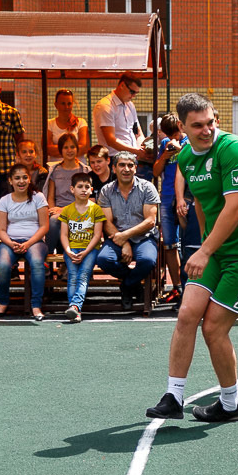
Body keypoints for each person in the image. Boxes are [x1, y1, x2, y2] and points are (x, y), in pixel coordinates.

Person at [144, 93, 238, 423]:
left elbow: (237, 207)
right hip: (216, 250)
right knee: (187, 313)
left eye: (211, 122)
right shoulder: (186, 158)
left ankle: (231, 404)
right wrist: (205, 244)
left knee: (213, 327)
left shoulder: (233, 149)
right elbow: (201, 201)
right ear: (182, 128)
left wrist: (204, 250)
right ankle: (173, 396)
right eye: (197, 125)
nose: (206, 130)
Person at [96, 152, 160, 311]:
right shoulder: (106, 191)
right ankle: (135, 284)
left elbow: (150, 221)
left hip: (144, 238)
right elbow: (106, 222)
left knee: (147, 260)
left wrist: (125, 236)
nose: (126, 169)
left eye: (130, 165)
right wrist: (124, 242)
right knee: (103, 259)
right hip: (117, 238)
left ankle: (127, 285)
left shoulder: (147, 188)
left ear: (136, 168)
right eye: (122, 165)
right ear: (114, 168)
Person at [0, 163, 50, 320]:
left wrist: (28, 243)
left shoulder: (38, 197)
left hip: (35, 242)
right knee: (3, 266)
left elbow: (44, 226)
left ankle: (36, 305)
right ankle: (3, 302)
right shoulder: (5, 200)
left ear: (29, 179)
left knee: (37, 264)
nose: (21, 181)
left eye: (25, 177)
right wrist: (11, 243)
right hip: (10, 241)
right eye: (17, 178)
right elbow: (1, 230)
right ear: (10, 181)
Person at [59, 172, 106, 323]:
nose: (84, 190)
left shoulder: (95, 209)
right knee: (72, 277)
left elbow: (97, 235)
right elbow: (64, 235)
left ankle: (75, 306)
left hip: (90, 249)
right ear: (72, 189)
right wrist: (67, 250)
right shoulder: (67, 210)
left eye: (87, 187)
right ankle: (75, 310)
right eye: (80, 187)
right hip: (71, 249)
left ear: (92, 190)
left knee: (83, 276)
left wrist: (86, 251)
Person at [153, 114, 188, 301]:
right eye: (170, 134)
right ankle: (177, 287)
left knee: (190, 242)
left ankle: (191, 285)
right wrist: (166, 154)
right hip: (166, 199)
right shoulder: (165, 143)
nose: (174, 137)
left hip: (186, 198)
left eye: (175, 133)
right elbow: (156, 172)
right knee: (169, 244)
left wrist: (180, 149)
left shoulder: (190, 142)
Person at [45, 132, 91, 251]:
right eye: (65, 147)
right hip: (57, 211)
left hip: (78, 211)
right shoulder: (54, 170)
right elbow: (50, 196)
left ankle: (51, 258)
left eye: (72, 147)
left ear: (77, 149)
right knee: (53, 221)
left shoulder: (84, 170)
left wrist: (63, 210)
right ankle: (47, 258)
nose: (69, 150)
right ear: (61, 150)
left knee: (56, 221)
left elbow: (85, 198)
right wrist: (52, 210)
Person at [93, 74, 146, 158]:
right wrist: (136, 151)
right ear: (122, 85)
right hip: (114, 157)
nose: (133, 96)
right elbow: (111, 140)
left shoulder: (130, 105)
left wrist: (142, 149)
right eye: (132, 92)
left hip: (132, 157)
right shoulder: (106, 106)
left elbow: (138, 133)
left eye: (136, 93)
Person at [45, 88, 90, 161]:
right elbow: (47, 149)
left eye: (69, 103)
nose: (66, 107)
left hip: (77, 167)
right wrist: (74, 149)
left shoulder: (81, 122)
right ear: (56, 105)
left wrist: (58, 149)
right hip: (55, 167)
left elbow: (84, 148)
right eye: (63, 103)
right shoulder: (49, 124)